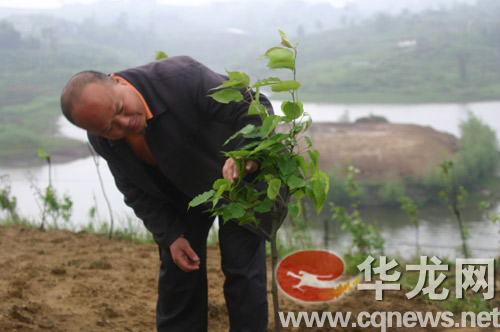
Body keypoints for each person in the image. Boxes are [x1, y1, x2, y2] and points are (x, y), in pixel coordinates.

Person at [60, 56, 275, 332]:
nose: (124, 123)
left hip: (239, 180)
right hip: (181, 194)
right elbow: (134, 188)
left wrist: (247, 151)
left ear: (117, 81)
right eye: (108, 127)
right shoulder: (102, 139)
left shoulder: (182, 78)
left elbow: (255, 108)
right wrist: (170, 235)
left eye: (121, 108)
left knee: (241, 269)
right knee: (179, 270)